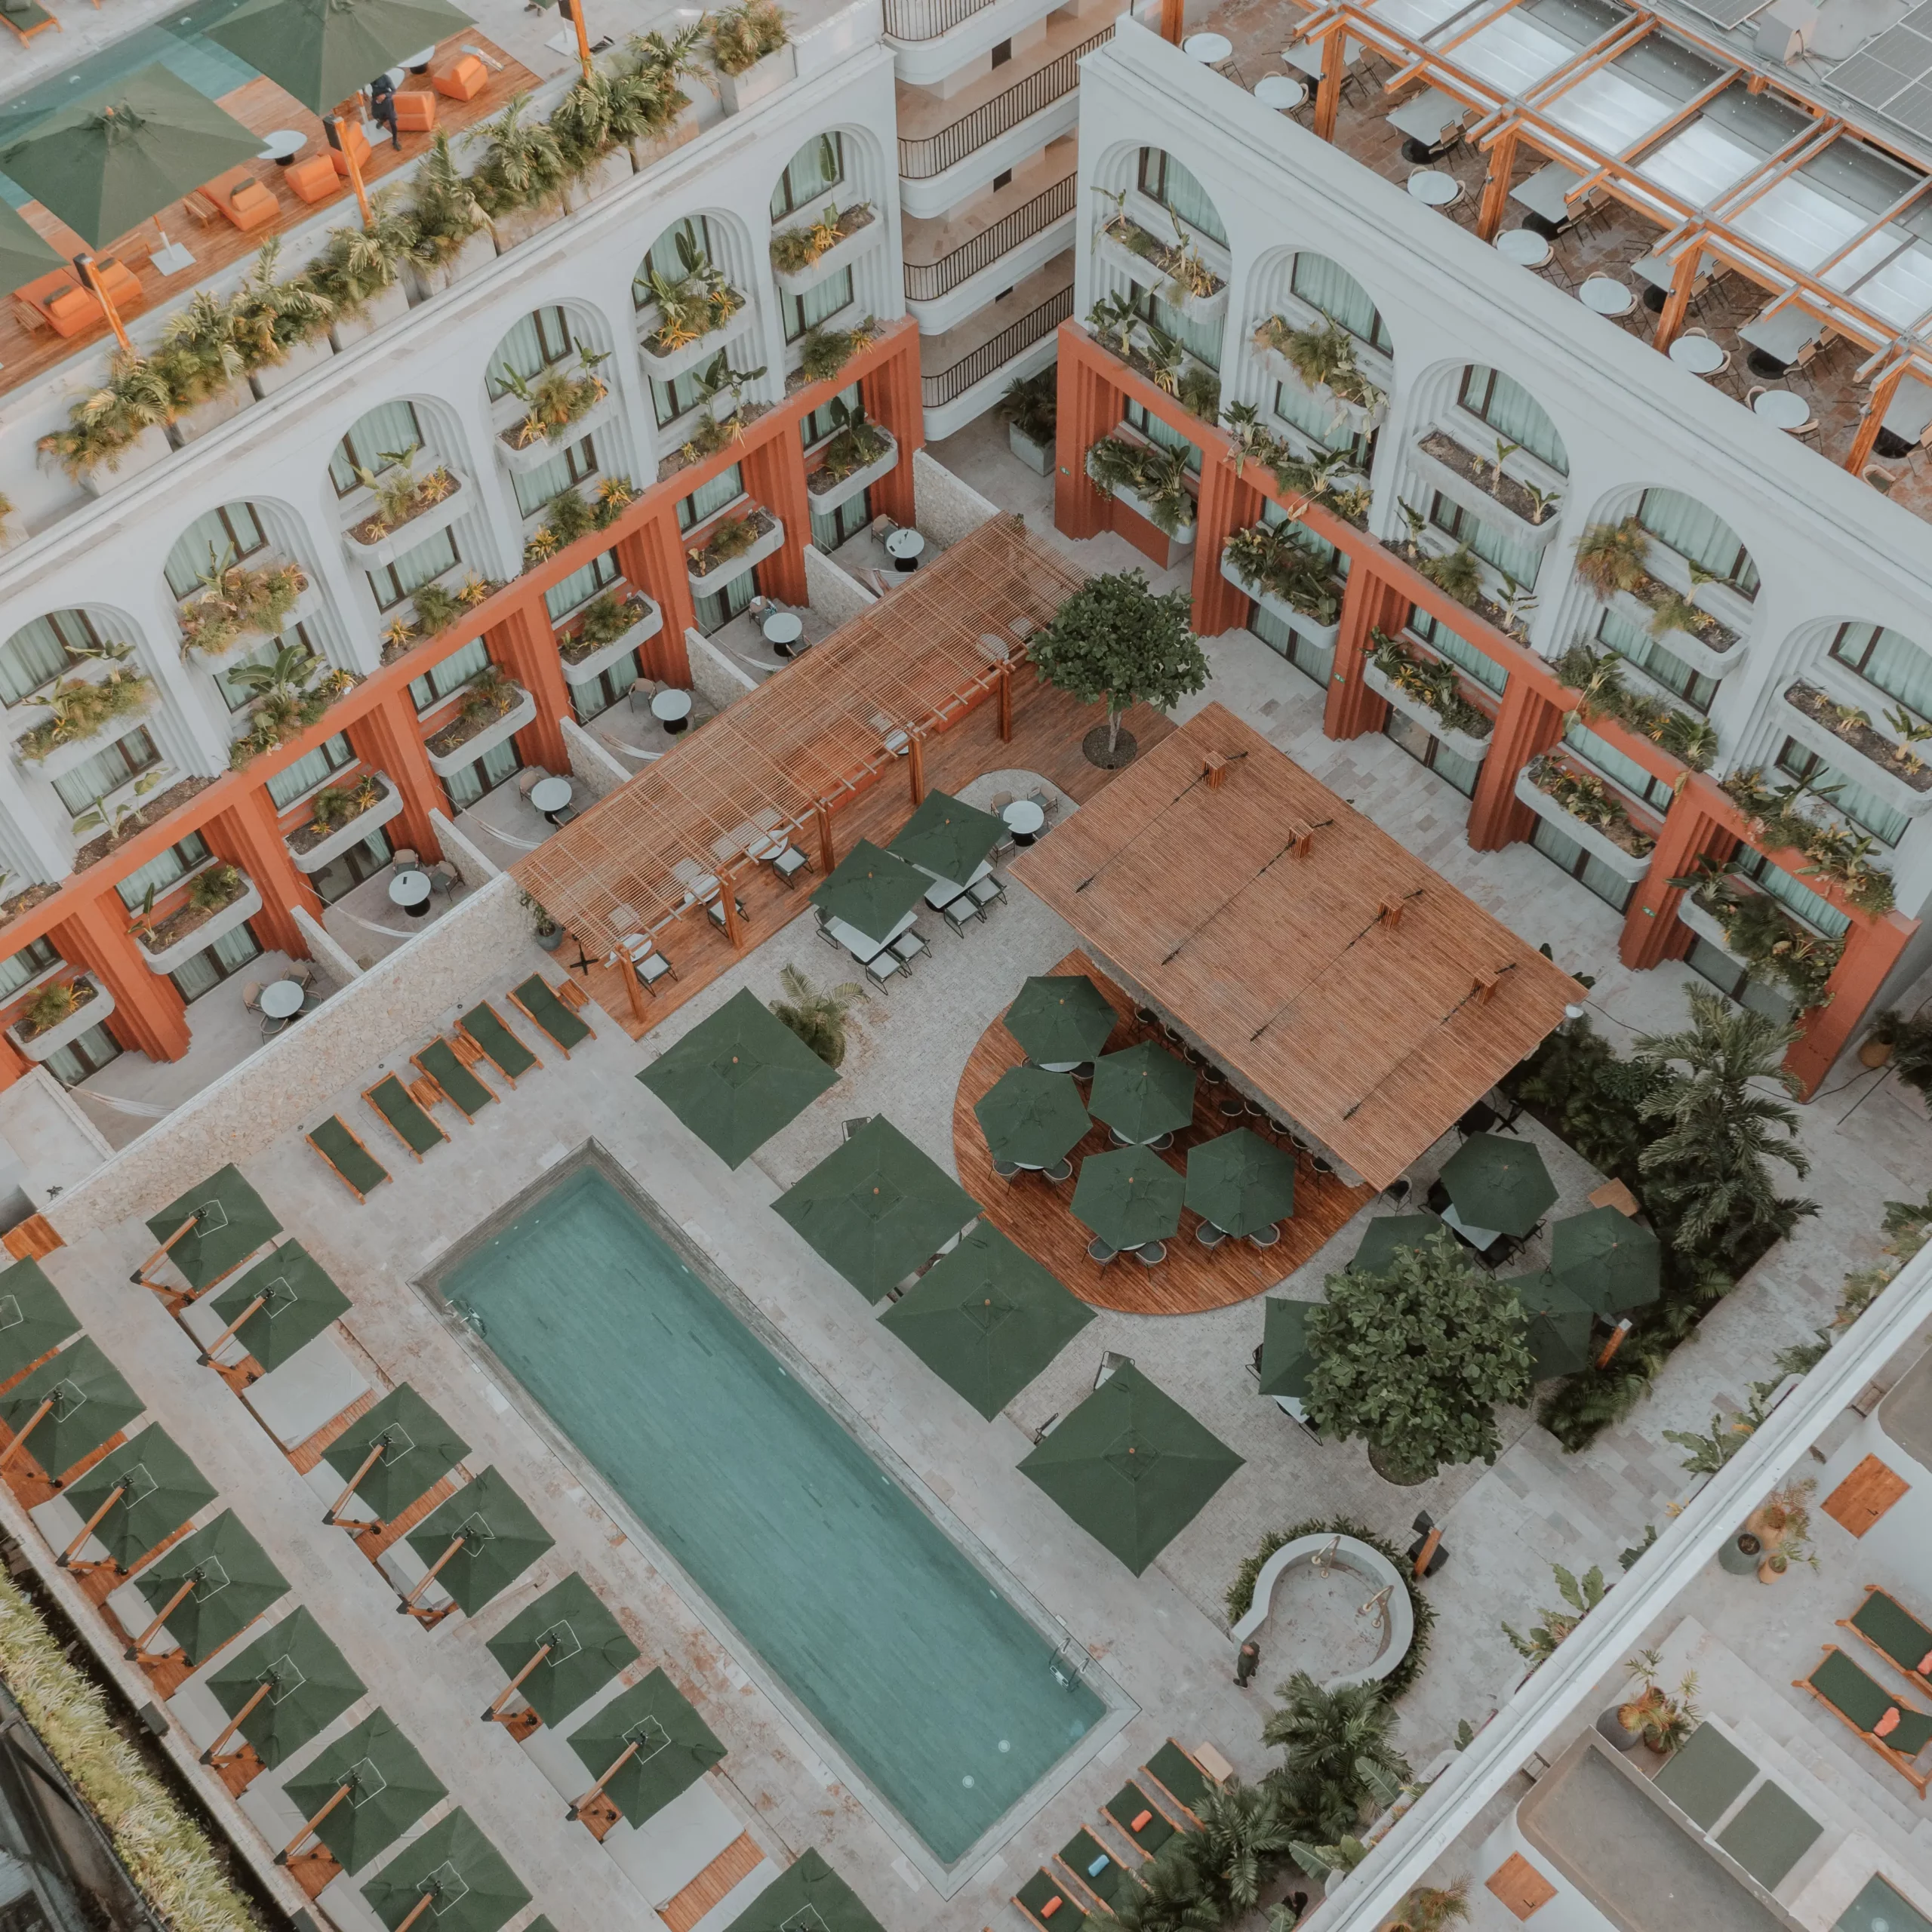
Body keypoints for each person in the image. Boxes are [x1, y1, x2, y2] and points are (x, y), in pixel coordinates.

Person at [369, 72, 401, 149]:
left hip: (387, 101)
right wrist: (364, 92)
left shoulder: (386, 78)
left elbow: (394, 91)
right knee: (375, 115)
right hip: (376, 100)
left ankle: (395, 141)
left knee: (392, 120)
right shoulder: (370, 76)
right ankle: (383, 119)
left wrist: (385, 95)